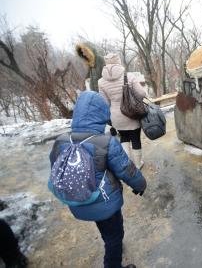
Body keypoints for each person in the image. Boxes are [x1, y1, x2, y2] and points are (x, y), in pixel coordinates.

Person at [49, 91, 146, 268]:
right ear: (102, 114)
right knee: (114, 236)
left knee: (105, 229)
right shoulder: (105, 142)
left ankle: (112, 245)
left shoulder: (61, 141)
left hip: (78, 201)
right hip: (106, 203)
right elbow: (127, 170)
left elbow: (55, 168)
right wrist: (140, 184)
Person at [98, 53, 147, 169]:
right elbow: (141, 94)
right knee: (135, 138)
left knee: (124, 138)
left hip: (116, 116)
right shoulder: (129, 76)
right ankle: (138, 164)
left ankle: (128, 163)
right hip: (132, 113)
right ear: (118, 62)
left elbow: (104, 102)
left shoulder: (101, 82)